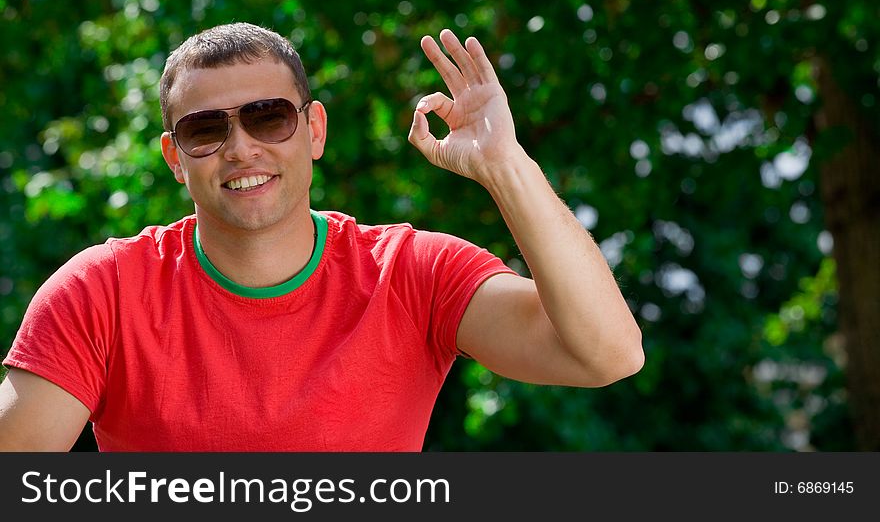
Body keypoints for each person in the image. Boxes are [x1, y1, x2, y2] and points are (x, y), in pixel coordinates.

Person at [0, 22, 643, 451]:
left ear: (315, 131)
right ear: (175, 156)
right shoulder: (101, 291)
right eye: (205, 130)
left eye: (268, 117)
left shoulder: (411, 274)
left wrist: (506, 167)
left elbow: (607, 355)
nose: (241, 149)